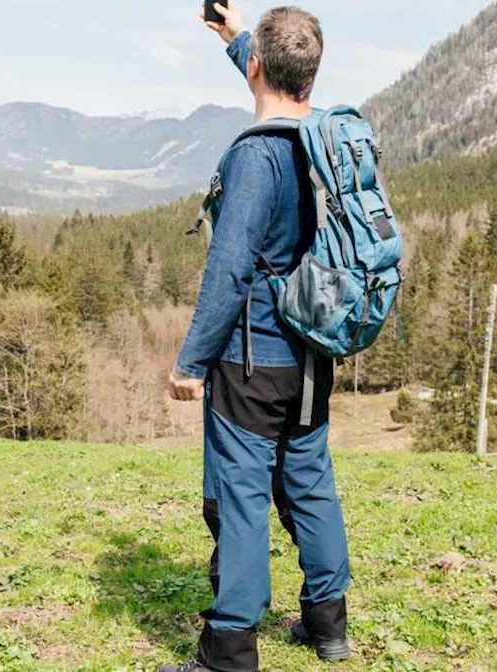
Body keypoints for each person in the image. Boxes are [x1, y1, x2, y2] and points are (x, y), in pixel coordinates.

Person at [161, 3, 352, 671]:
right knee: (309, 483)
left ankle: (230, 652)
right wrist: (229, 32)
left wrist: (191, 361)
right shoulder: (326, 143)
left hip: (251, 361)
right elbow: (271, 63)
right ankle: (329, 627)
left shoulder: (258, 156)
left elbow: (231, 265)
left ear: (258, 69)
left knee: (241, 497)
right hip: (314, 352)